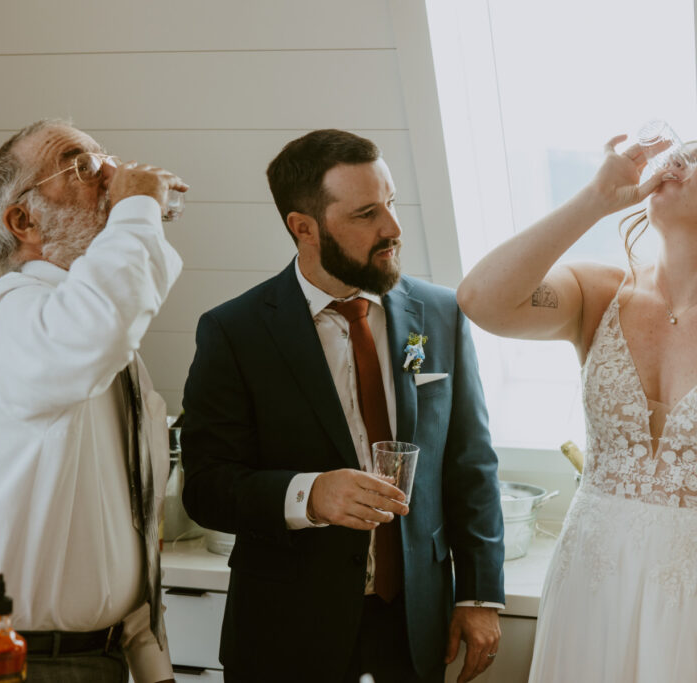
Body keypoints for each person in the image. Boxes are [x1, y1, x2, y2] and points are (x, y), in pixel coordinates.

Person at [457, 131, 697, 682]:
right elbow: (481, 299)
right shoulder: (597, 295)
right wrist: (593, 200)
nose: (676, 163)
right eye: (675, 154)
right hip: (593, 590)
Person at [180, 129, 506, 683]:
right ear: (303, 228)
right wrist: (309, 494)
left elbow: (470, 464)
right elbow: (207, 487)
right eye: (366, 214)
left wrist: (478, 595)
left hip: (413, 627)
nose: (394, 229)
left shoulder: (443, 313)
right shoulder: (233, 331)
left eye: (393, 203)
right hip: (286, 635)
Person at [0, 119, 186, 682]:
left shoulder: (114, 351)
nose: (112, 174)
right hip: (17, 663)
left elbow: (129, 522)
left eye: (104, 159)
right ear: (24, 220)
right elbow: (97, 326)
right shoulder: (5, 315)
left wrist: (152, 666)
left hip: (102, 659)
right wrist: (137, 210)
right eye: (81, 167)